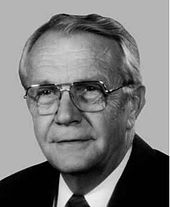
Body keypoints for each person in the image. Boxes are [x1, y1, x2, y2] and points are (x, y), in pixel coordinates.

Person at [0, 13, 168, 207]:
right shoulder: (7, 195)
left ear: (133, 104)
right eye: (47, 92)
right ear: (30, 105)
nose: (65, 115)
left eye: (90, 89)